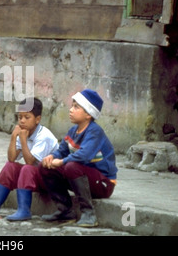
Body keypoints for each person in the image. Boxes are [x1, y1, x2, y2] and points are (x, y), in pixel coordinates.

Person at [39, 89, 118, 227]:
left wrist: (61, 162)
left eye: (76, 107)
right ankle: (65, 210)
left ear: (88, 114)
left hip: (104, 183)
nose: (71, 110)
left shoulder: (95, 131)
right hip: (83, 177)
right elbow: (62, 151)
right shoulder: (73, 131)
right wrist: (52, 157)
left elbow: (84, 156)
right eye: (72, 105)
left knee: (71, 166)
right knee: (45, 166)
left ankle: (89, 214)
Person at [0, 97, 59, 221]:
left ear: (37, 119)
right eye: (20, 117)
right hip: (34, 177)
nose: (22, 121)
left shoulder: (44, 136)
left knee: (27, 168)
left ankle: (24, 210)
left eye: (27, 117)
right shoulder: (24, 131)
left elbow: (30, 162)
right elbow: (12, 158)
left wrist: (23, 140)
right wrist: (14, 137)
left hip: (50, 180)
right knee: (10, 166)